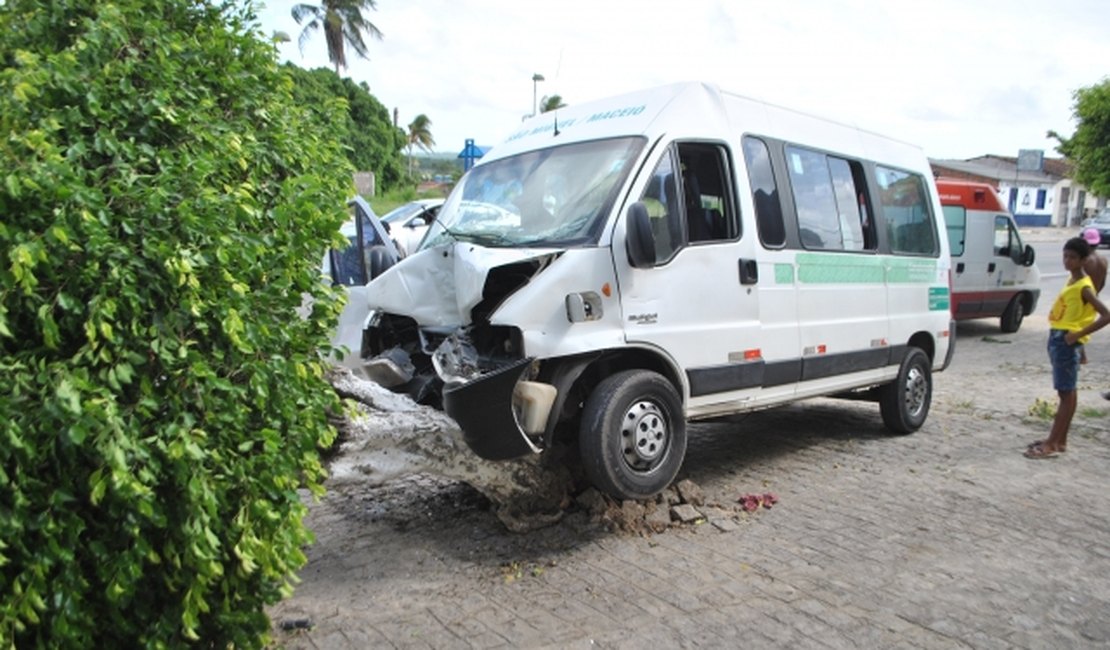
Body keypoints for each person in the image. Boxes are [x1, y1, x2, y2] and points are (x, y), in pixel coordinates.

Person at [1026, 237, 1110, 458]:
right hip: (1060, 336)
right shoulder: (1072, 280)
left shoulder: (1084, 287)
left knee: (1066, 393)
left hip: (1066, 339)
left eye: (1072, 257)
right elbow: (1080, 315)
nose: (1067, 261)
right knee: (1067, 391)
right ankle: (1059, 440)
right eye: (1065, 256)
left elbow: (1105, 315)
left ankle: (1052, 443)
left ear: (1083, 260)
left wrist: (1077, 336)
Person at [1079, 228, 1106, 366]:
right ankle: (1081, 355)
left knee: (1075, 326)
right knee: (1081, 326)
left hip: (1082, 297)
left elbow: (1078, 281)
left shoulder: (1084, 261)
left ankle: (1081, 356)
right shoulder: (1103, 260)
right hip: (1094, 296)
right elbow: (1103, 283)